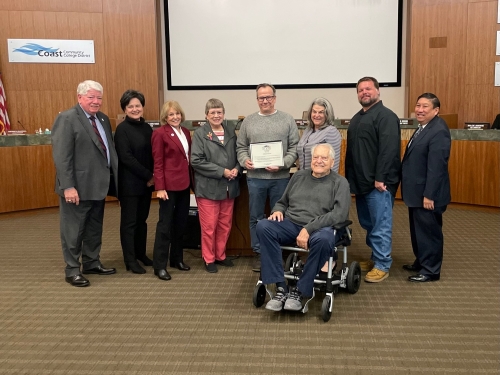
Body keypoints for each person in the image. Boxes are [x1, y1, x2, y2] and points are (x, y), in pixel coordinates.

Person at [257, 143, 350, 312]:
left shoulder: (340, 183)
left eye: (324, 158)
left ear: (332, 161)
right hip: (292, 223)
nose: (319, 161)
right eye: (316, 157)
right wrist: (277, 210)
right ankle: (280, 288)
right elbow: (282, 202)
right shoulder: (299, 176)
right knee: (264, 226)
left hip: (320, 228)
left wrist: (308, 229)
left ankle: (300, 290)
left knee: (324, 239)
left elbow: (339, 215)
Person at [51, 80, 118, 287]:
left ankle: (91, 262)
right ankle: (72, 269)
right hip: (77, 188)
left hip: (98, 186)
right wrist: (68, 186)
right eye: (91, 97)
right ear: (79, 97)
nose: (96, 101)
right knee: (73, 230)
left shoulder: (103, 119)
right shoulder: (67, 119)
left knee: (93, 228)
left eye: (99, 97)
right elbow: (62, 157)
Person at [236, 83, 299, 272]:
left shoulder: (287, 119)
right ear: (257, 100)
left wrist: (283, 163)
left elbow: (294, 148)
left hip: (280, 178)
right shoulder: (248, 121)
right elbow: (241, 147)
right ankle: (259, 252)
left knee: (280, 217)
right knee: (256, 217)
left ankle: (279, 252)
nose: (265, 100)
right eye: (261, 98)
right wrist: (245, 160)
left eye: (268, 97)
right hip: (255, 178)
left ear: (275, 98)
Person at [345, 76, 401, 283]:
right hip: (361, 183)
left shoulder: (386, 116)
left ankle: (382, 264)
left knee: (380, 225)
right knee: (368, 224)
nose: (364, 92)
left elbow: (389, 151)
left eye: (368, 89)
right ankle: (375, 257)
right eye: (360, 90)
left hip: (378, 184)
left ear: (378, 91)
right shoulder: (358, 117)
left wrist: (380, 178)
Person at [401, 93, 451, 282]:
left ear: (436, 110)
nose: (420, 110)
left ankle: (430, 270)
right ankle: (421, 261)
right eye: (418, 105)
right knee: (418, 230)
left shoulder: (439, 130)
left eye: (425, 107)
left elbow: (437, 167)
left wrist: (429, 195)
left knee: (429, 232)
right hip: (417, 193)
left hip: (428, 195)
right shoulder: (424, 127)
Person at [191, 99, 242, 273]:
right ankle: (209, 258)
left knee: (225, 225)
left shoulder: (230, 132)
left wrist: (236, 168)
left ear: (224, 113)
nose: (216, 115)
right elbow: (196, 161)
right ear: (206, 115)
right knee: (209, 226)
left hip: (229, 188)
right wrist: (222, 171)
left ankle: (220, 255)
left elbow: (238, 155)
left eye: (219, 112)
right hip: (208, 188)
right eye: (212, 112)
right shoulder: (200, 134)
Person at [114, 90, 154, 274]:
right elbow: (126, 159)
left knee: (142, 221)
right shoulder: (122, 130)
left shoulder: (147, 128)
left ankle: (141, 254)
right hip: (130, 185)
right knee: (129, 224)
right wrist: (149, 176)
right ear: (125, 109)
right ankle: (130, 260)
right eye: (130, 106)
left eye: (138, 105)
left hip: (146, 184)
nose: (135, 109)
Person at [151, 101, 192, 281]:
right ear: (165, 118)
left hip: (184, 184)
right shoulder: (159, 133)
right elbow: (158, 162)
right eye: (170, 115)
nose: (175, 117)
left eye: (177, 114)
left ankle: (177, 259)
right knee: (165, 226)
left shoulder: (186, 132)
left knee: (181, 224)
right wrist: (159, 187)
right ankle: (159, 265)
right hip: (167, 187)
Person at [297, 97, 341, 173]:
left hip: (322, 180)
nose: (316, 115)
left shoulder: (331, 131)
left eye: (321, 112)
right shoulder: (308, 130)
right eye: (314, 112)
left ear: (327, 114)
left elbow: (334, 162)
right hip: (305, 178)